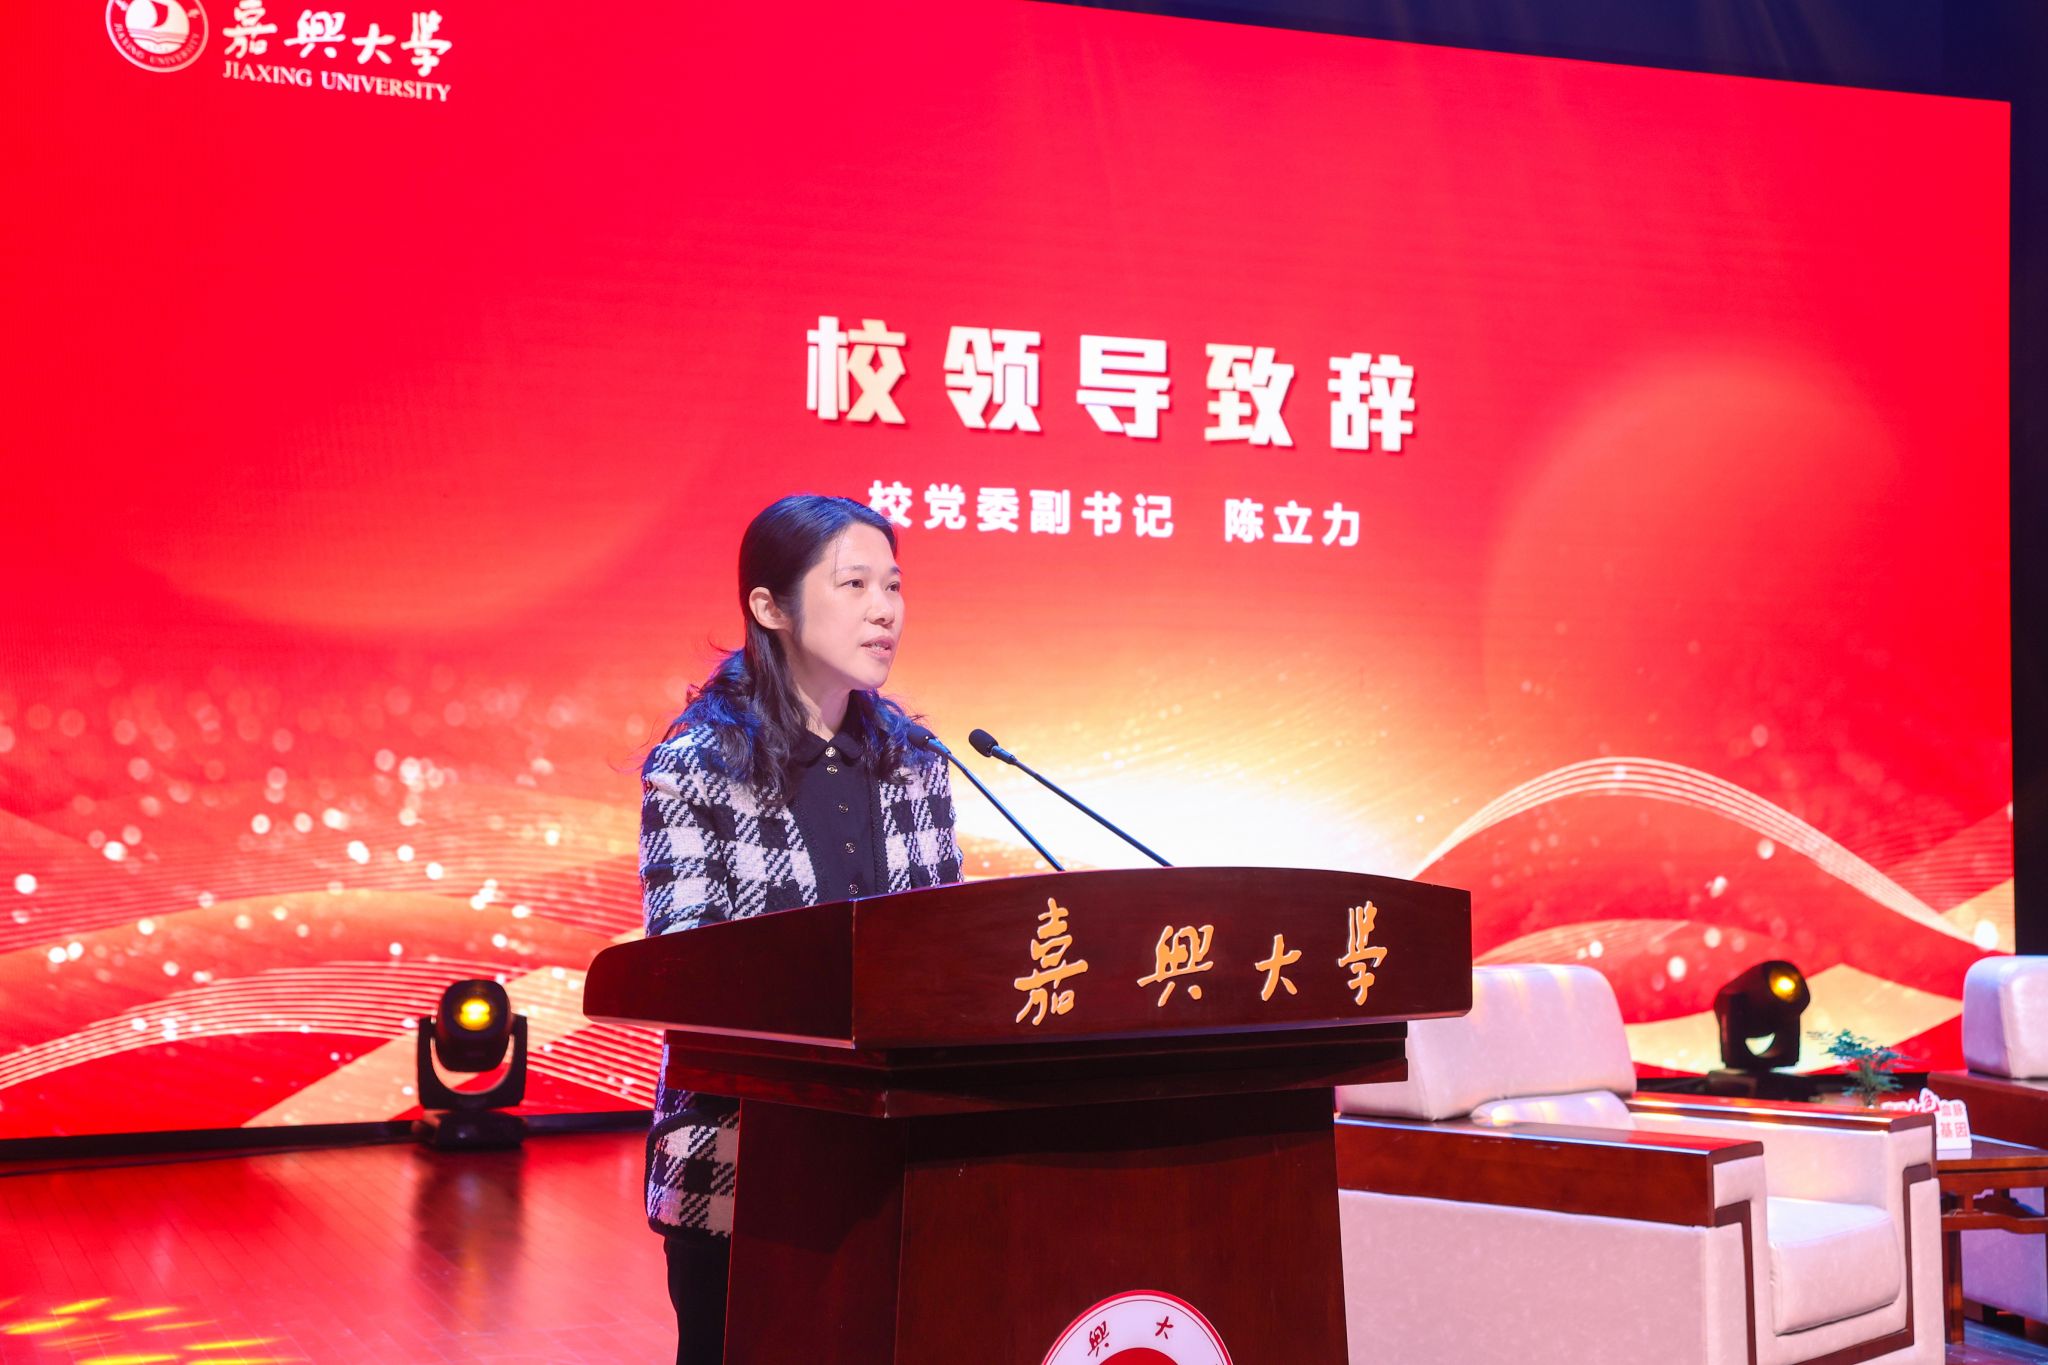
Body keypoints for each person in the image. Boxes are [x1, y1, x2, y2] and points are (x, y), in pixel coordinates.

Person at [636, 493, 964, 1365]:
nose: (885, 610)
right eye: (854, 584)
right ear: (769, 606)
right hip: (746, 1161)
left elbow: (952, 955)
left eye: (893, 585)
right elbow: (686, 972)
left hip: (897, 1159)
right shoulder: (697, 768)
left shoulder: (917, 764)